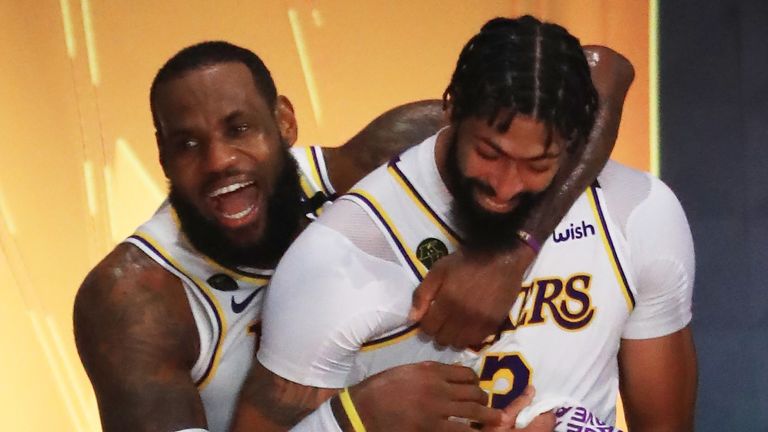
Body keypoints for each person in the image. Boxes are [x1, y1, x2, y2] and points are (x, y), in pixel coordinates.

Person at [74, 34, 627, 432]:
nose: (220, 160)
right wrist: (351, 420)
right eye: (188, 143)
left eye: (239, 128)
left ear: (284, 122)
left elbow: (604, 71)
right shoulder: (133, 303)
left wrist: (514, 251)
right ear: (162, 154)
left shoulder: (373, 163)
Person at [235, 15, 695, 432]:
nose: (506, 186)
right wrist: (353, 419)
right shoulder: (336, 258)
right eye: (489, 153)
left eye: (538, 164)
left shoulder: (638, 212)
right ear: (451, 108)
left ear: (576, 141)